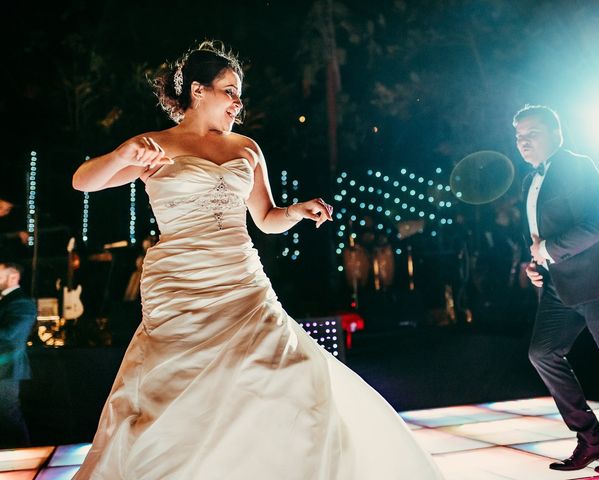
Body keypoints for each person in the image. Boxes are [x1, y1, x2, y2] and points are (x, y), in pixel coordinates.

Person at [71, 41, 442, 479]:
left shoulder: (246, 148)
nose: (237, 103)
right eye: (229, 90)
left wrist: (297, 211)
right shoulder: (155, 146)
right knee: (181, 391)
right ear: (197, 91)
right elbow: (82, 183)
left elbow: (265, 219)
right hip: (179, 284)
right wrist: (120, 157)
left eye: (239, 94)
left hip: (240, 278)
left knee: (292, 368)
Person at [515, 104, 599, 477]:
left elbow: (594, 228)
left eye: (531, 133)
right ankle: (592, 442)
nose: (523, 142)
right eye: (518, 136)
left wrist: (548, 250)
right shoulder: (528, 181)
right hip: (559, 285)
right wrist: (535, 264)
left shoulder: (578, 166)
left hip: (598, 280)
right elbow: (538, 237)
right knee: (542, 353)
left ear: (556, 133)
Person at [0, 261, 37, 448]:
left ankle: (22, 456)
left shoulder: (21, 302)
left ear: (13, 276)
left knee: (7, 416)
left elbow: (10, 336)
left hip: (6, 369)